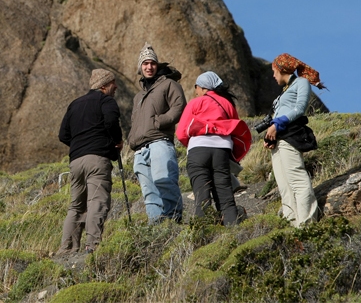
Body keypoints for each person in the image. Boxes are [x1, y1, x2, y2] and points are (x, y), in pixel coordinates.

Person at [57, 69, 123, 255]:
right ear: (103, 85)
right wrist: (116, 141)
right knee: (97, 201)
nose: (116, 86)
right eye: (113, 83)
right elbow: (111, 121)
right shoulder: (106, 101)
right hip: (97, 159)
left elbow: (63, 135)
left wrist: (79, 144)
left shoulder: (74, 104)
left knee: (76, 205)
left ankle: (67, 247)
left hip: (76, 161)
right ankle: (91, 246)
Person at [176, 71, 251, 226]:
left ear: (203, 88)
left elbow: (181, 132)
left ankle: (202, 239)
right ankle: (232, 236)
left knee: (202, 199)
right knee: (226, 200)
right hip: (221, 152)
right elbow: (235, 128)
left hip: (198, 151)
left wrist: (192, 146)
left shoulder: (195, 103)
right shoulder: (227, 104)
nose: (195, 91)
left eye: (196, 87)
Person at [264, 53, 326, 228]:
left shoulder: (301, 82)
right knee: (285, 187)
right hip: (279, 140)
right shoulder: (283, 92)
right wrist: (270, 135)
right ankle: (292, 226)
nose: (273, 75)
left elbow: (300, 108)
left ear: (281, 69)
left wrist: (278, 123)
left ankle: (307, 225)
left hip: (290, 136)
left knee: (298, 180)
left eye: (274, 71)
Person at [127, 42, 186, 224]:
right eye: (145, 63)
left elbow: (179, 106)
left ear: (157, 65)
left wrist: (160, 121)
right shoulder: (138, 96)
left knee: (165, 180)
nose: (149, 67)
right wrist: (131, 138)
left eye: (152, 63)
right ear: (140, 67)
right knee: (149, 191)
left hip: (160, 141)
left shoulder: (169, 84)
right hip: (140, 149)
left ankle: (174, 221)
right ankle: (156, 228)